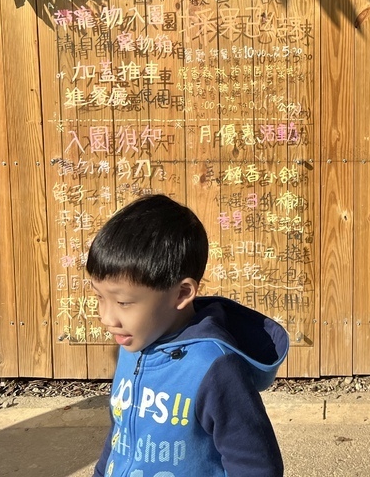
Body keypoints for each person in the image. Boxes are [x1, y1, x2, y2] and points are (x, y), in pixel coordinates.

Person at [86, 194, 289, 477]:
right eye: (99, 298)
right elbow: (121, 434)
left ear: (181, 293)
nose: (107, 318)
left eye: (123, 303)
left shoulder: (214, 368)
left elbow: (256, 465)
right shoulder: (132, 345)